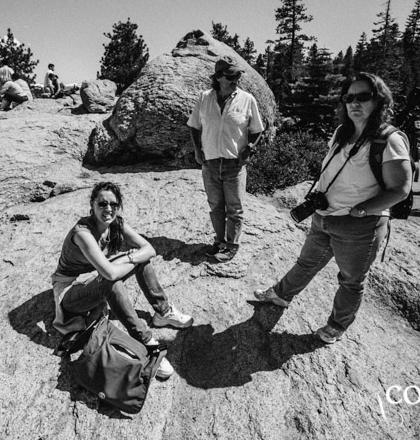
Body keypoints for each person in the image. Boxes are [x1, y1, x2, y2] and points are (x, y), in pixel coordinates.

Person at [254, 73, 412, 344]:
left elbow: (400, 189)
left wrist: (362, 210)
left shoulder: (389, 139)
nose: (354, 103)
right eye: (349, 97)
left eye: (363, 97)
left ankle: (337, 326)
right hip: (325, 214)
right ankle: (280, 295)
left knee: (350, 280)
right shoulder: (342, 132)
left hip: (359, 225)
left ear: (379, 101)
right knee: (307, 262)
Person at [51, 182, 193, 380]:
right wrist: (130, 259)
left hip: (97, 277)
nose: (108, 209)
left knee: (142, 260)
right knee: (112, 281)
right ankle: (147, 343)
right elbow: (109, 275)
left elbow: (149, 249)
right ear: (92, 204)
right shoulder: (82, 233)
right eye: (102, 204)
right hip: (71, 292)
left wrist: (131, 258)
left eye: (113, 205)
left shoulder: (116, 224)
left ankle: (162, 311)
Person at [187, 56, 265, 263]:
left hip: (234, 165)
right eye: (231, 76)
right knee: (215, 206)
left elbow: (257, 130)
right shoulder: (204, 98)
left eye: (238, 75)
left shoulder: (247, 99)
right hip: (210, 163)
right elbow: (194, 125)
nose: (236, 80)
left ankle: (232, 245)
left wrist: (249, 148)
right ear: (219, 77)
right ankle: (219, 241)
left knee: (235, 208)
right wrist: (197, 149)